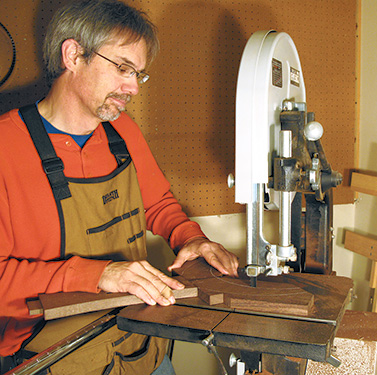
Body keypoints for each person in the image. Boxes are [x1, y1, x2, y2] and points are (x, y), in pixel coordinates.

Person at [0, 0, 239, 373]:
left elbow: (157, 202)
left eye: (138, 75)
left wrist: (189, 238)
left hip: (137, 338)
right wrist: (99, 274)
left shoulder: (121, 131)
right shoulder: (6, 147)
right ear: (73, 55)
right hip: (49, 356)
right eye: (123, 69)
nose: (133, 89)